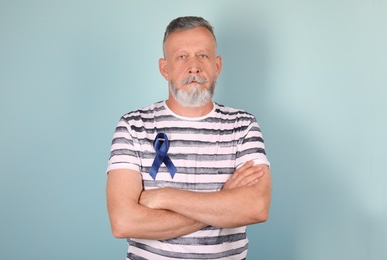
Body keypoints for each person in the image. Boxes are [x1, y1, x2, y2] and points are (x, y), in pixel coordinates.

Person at [106, 16, 271, 260]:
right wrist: (224, 202)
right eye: (181, 56)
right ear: (165, 68)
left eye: (202, 55)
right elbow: (123, 221)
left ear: (217, 65)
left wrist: (165, 197)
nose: (193, 67)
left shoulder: (243, 125)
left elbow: (256, 208)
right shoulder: (133, 126)